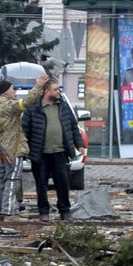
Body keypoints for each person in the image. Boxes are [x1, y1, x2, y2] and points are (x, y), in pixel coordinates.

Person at [22, 77, 84, 220]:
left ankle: (65, 210)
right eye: (56, 89)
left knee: (63, 183)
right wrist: (25, 150)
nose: (59, 92)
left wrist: (79, 144)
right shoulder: (34, 108)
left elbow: (73, 127)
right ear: (47, 91)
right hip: (40, 153)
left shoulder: (63, 106)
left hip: (60, 153)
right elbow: (25, 129)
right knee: (41, 185)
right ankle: (44, 212)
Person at [0, 79, 29, 219]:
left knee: (0, 180)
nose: (15, 91)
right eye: (13, 88)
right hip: (12, 149)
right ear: (5, 91)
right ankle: (9, 212)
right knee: (13, 180)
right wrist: (39, 87)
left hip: (0, 151)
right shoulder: (8, 106)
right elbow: (26, 103)